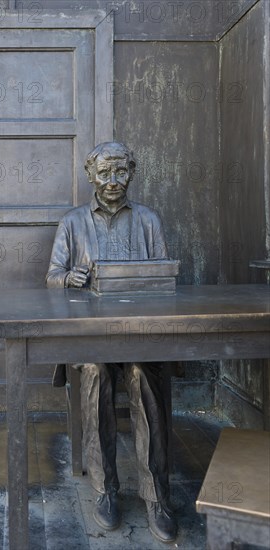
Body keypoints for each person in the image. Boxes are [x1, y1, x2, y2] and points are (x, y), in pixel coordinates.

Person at [45, 142, 177, 543]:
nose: (113, 181)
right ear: (91, 176)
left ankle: (157, 495)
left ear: (132, 172)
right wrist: (69, 279)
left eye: (120, 172)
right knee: (97, 371)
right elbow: (51, 276)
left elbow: (167, 280)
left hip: (142, 336)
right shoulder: (72, 223)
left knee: (144, 373)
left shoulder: (149, 221)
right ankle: (105, 489)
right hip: (91, 339)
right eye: (105, 173)